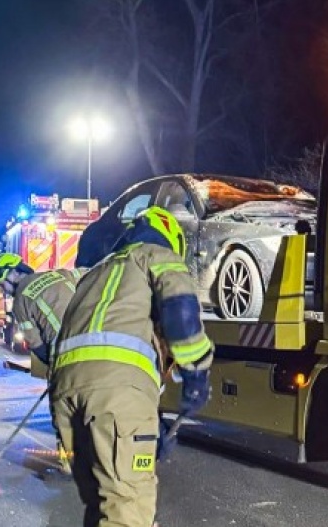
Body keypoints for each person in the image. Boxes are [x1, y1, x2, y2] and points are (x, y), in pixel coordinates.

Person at [50, 207, 213, 527]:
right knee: (127, 507)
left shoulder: (96, 273)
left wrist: (150, 424)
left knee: (100, 505)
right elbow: (180, 311)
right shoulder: (157, 256)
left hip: (66, 397)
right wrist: (197, 372)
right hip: (117, 394)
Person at [0, 252, 82, 476]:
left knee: (64, 411)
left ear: (11, 274)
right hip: (101, 347)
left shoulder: (21, 301)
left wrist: (54, 367)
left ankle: (71, 464)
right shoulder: (62, 274)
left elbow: (36, 343)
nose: (3, 292)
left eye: (2, 286)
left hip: (69, 356)